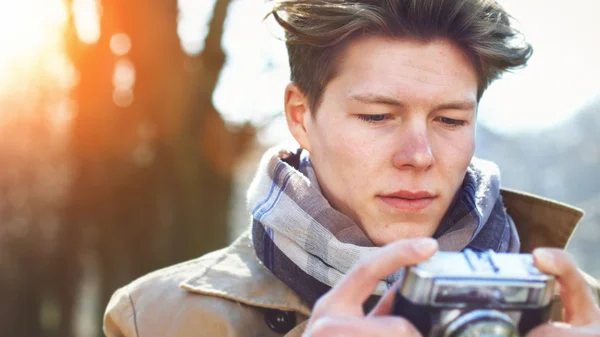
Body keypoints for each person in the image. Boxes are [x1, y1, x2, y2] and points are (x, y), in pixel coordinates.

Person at [103, 1, 600, 336]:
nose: (419, 154)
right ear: (301, 115)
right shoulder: (155, 317)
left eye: (450, 119)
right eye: (377, 117)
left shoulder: (583, 313)